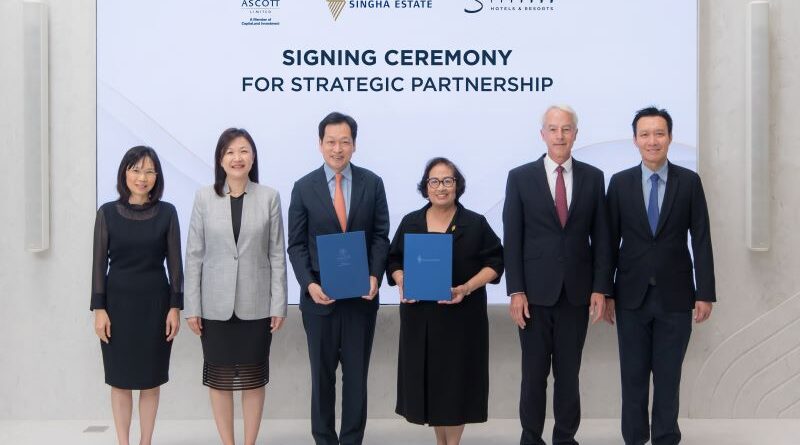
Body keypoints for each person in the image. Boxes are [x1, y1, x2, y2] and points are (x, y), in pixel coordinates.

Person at [604, 107, 715, 445]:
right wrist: (605, 292)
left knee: (669, 377)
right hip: (630, 295)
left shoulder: (689, 182)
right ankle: (635, 438)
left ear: (670, 137)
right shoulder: (620, 183)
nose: (652, 141)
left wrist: (705, 292)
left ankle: (666, 437)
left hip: (676, 295)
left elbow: (701, 237)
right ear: (635, 140)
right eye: (645, 134)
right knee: (633, 377)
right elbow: (608, 241)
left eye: (659, 133)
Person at [503, 105, 611, 445]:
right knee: (533, 375)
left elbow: (602, 238)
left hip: (576, 294)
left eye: (566, 129)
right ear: (543, 134)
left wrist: (601, 287)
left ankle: (565, 438)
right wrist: (516, 290)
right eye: (553, 129)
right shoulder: (520, 177)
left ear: (576, 134)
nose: (560, 136)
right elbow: (512, 238)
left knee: (569, 375)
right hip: (533, 296)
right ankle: (531, 438)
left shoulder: (593, 177)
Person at [287, 111, 390, 445]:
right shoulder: (303, 188)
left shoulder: (373, 183)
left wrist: (374, 276)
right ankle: (324, 439)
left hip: (361, 298)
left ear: (354, 145)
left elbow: (380, 236)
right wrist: (309, 284)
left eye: (344, 141)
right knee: (322, 377)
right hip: (320, 299)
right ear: (320, 144)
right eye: (330, 141)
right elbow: (296, 244)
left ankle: (351, 440)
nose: (337, 148)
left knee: (356, 377)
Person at [386, 157, 504, 445]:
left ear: (457, 185)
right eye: (434, 181)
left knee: (456, 386)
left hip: (462, 320)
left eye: (447, 181)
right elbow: (393, 260)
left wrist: (467, 287)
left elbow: (496, 262)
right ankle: (442, 442)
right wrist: (402, 280)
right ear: (426, 187)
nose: (441, 187)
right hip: (421, 321)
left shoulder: (474, 223)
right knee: (433, 386)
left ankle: (453, 443)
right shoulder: (411, 222)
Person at [184, 128, 288, 445]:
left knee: (254, 379)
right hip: (214, 305)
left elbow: (277, 254)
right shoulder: (204, 197)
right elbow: (194, 255)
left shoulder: (269, 197)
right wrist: (192, 307)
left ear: (253, 157)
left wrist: (279, 304)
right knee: (220, 380)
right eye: (229, 151)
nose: (237, 157)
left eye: (243, 151)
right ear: (220, 159)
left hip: (256, 304)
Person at [91, 146, 183, 445]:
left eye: (149, 171)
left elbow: (175, 265)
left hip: (155, 307)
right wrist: (99, 309)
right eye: (136, 170)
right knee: (119, 381)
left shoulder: (168, 212)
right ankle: (123, 442)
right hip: (117, 307)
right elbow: (98, 265)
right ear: (124, 173)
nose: (142, 177)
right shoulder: (107, 213)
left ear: (157, 176)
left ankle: (146, 441)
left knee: (150, 381)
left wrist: (175, 307)